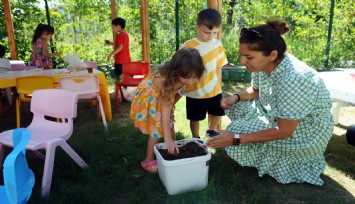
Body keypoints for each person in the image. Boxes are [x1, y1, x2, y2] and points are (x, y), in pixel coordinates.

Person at [205, 19, 333, 186]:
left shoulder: (294, 79)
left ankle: (263, 151)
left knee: (236, 131)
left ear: (272, 55)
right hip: (275, 114)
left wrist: (236, 138)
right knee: (234, 106)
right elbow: (257, 90)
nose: (243, 61)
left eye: (249, 57)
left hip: (305, 132)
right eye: (242, 55)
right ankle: (250, 134)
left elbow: (284, 130)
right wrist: (236, 97)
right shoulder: (265, 64)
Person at [130, 48, 206, 173]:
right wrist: (167, 138)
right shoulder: (167, 82)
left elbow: (179, 93)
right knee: (157, 130)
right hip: (151, 97)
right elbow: (164, 111)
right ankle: (148, 160)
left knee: (169, 126)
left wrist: (172, 107)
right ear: (177, 72)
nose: (192, 81)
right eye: (189, 78)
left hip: (165, 99)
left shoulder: (185, 77)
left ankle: (171, 148)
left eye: (195, 77)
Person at [181, 8, 228, 139]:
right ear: (197, 27)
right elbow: (180, 64)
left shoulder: (218, 45)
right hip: (195, 90)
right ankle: (196, 137)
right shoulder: (189, 44)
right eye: (207, 32)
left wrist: (219, 86)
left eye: (215, 33)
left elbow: (219, 67)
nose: (211, 36)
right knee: (195, 117)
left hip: (214, 90)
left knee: (218, 112)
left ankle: (211, 130)